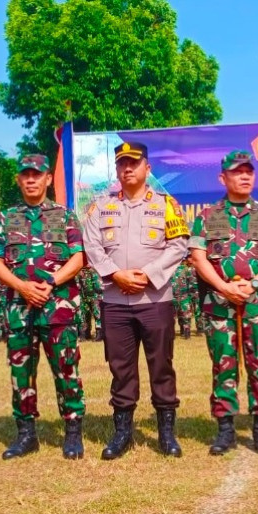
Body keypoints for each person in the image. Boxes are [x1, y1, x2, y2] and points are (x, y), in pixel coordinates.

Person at [84, 142, 189, 459]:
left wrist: (147, 273)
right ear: (116, 170)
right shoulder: (100, 206)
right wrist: (115, 274)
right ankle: (122, 433)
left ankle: (166, 433)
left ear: (147, 168)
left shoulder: (167, 204)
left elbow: (179, 245)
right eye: (122, 164)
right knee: (120, 368)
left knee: (161, 366)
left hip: (154, 299)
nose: (127, 168)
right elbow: (92, 245)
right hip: (115, 301)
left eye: (134, 162)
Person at [189, 150, 258, 456]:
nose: (244, 176)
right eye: (237, 171)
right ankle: (225, 429)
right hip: (219, 303)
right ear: (223, 178)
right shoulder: (207, 216)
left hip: (257, 304)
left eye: (248, 171)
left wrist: (255, 283)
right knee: (223, 365)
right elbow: (198, 257)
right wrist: (222, 286)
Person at [0, 154, 87, 460]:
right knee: (21, 374)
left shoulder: (65, 216)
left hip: (58, 307)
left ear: (47, 179)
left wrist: (51, 282)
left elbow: (78, 257)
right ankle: (26, 434)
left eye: (37, 174)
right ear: (18, 180)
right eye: (25, 174)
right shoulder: (5, 219)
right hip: (20, 308)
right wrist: (22, 287)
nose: (31, 179)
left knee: (66, 370)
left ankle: (72, 433)